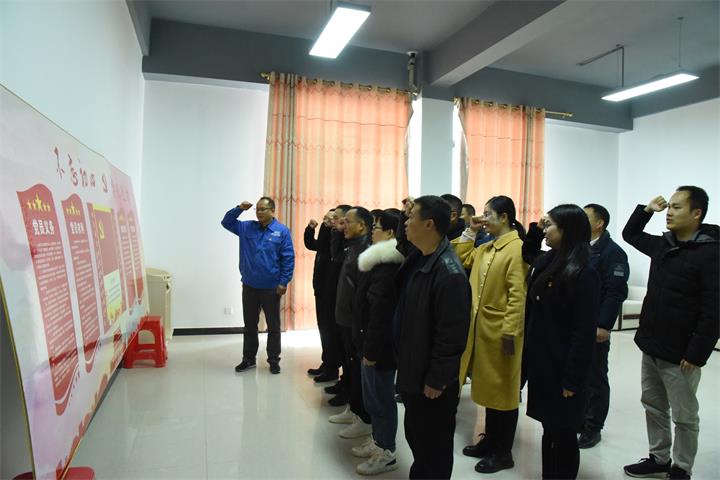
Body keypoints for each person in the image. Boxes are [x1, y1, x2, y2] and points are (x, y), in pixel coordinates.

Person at [622, 187, 718, 480]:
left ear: (696, 213)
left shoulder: (711, 253)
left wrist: (697, 353)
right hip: (652, 344)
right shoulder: (664, 244)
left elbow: (714, 309)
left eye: (677, 207)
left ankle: (681, 467)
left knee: (684, 416)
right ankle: (659, 458)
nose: (669, 212)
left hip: (681, 353)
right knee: (653, 405)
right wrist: (647, 210)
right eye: (669, 206)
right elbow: (630, 234)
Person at [395, 195, 471, 479]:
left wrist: (437, 379)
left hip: (432, 380)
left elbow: (451, 335)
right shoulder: (420, 257)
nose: (406, 221)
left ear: (428, 224)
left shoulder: (449, 272)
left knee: (434, 446)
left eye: (411, 216)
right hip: (414, 367)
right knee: (417, 437)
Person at [523, 204, 600, 479]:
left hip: (563, 368)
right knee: (549, 429)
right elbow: (528, 254)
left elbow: (583, 332)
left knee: (564, 432)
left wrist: (572, 379)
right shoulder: (549, 260)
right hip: (543, 363)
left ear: (567, 230)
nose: (545, 230)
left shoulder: (583, 271)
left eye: (550, 225)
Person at [453, 196, 528, 474]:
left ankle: (503, 451)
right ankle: (490, 441)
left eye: (488, 214)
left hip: (502, 334)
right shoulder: (487, 247)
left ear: (504, 217)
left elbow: (517, 296)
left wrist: (510, 333)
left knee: (504, 393)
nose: (483, 219)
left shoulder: (517, 248)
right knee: (488, 390)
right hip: (481, 330)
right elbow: (460, 257)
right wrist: (470, 231)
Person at [351, 210, 405, 475]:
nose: (372, 231)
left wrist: (370, 349)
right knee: (372, 399)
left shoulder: (387, 265)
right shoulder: (376, 260)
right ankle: (378, 439)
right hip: (369, 341)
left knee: (381, 400)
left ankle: (387, 452)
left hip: (379, 346)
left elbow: (380, 312)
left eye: (377, 227)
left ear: (391, 233)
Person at [221, 197, 295, 374]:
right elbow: (226, 222)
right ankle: (248, 359)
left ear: (272, 211)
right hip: (250, 286)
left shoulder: (281, 231)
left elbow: (288, 258)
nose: (259, 212)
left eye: (263, 209)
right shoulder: (247, 227)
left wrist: (284, 281)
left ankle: (274, 360)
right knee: (250, 325)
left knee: (273, 326)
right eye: (258, 209)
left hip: (271, 287)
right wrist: (239, 208)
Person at [578, 203, 629, 449]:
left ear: (599, 223)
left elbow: (615, 292)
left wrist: (604, 325)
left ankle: (593, 426)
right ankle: (580, 419)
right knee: (577, 373)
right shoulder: (580, 247)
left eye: (586, 217)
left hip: (595, 325)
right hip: (576, 324)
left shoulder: (613, 253)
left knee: (595, 376)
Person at [332, 206, 374, 439]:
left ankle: (363, 417)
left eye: (348, 222)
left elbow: (362, 294)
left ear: (362, 226)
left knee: (358, 371)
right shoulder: (352, 246)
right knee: (350, 368)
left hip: (354, 321)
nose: (343, 225)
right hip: (344, 318)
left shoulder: (366, 251)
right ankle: (354, 408)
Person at [304, 210, 339, 381]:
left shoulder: (338, 238)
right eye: (324, 218)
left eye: (329, 218)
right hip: (320, 289)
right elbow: (313, 244)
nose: (325, 221)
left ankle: (332, 367)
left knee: (330, 331)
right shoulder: (326, 236)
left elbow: (329, 246)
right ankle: (327, 362)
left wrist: (331, 229)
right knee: (323, 328)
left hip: (331, 293)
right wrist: (310, 229)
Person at [326, 205, 353, 405]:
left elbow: (336, 258)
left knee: (349, 354)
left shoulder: (357, 247)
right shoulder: (344, 241)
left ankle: (349, 390)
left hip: (350, 310)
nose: (335, 223)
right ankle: (344, 382)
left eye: (340, 220)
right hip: (338, 300)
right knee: (342, 350)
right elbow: (333, 255)